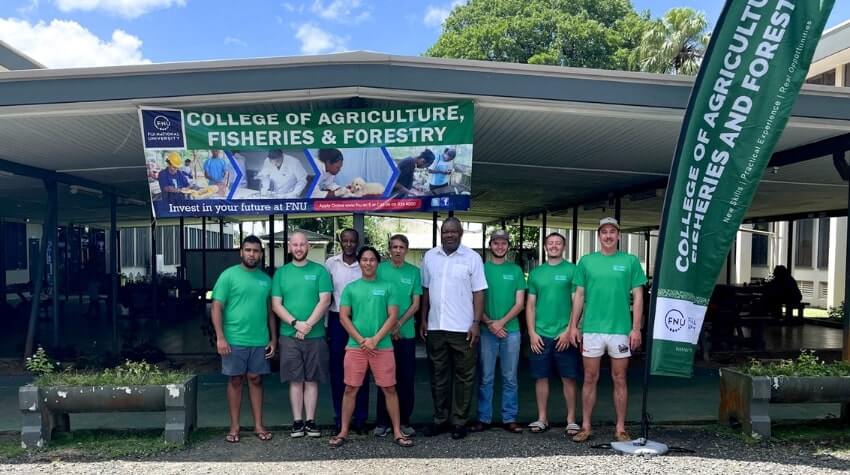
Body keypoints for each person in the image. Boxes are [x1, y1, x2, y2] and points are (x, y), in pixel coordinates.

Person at [568, 217, 646, 443]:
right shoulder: (586, 261)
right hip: (592, 328)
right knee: (590, 377)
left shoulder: (630, 261)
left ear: (618, 235)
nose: (609, 235)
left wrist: (636, 328)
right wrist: (574, 326)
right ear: (599, 235)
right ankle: (586, 426)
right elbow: (579, 295)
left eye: (613, 231)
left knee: (620, 378)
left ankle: (620, 428)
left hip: (620, 329)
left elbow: (638, 297)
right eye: (604, 232)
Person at [329, 247, 414, 449]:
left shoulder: (388, 287)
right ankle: (343, 431)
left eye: (372, 260)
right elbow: (343, 317)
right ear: (360, 263)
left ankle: (396, 431)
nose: (368, 263)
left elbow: (393, 316)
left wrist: (375, 339)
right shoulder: (351, 288)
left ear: (378, 263)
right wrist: (361, 340)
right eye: (365, 260)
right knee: (350, 388)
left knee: (389, 388)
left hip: (382, 346)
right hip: (356, 347)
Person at [420, 217, 487, 440]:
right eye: (445, 231)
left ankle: (459, 422)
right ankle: (440, 420)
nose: (449, 235)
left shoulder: (472, 258)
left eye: (453, 231)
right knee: (438, 376)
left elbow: (479, 292)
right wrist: (423, 320)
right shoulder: (430, 256)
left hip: (463, 328)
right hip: (436, 327)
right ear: (441, 233)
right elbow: (426, 291)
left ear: (460, 233)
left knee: (464, 377)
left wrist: (476, 323)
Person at [210, 235, 277, 443]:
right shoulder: (228, 276)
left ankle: (258, 425)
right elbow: (216, 306)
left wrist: (273, 339)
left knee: (256, 380)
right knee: (236, 380)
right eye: (248, 250)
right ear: (241, 252)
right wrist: (220, 337)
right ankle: (234, 427)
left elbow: (270, 312)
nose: (252, 254)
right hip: (234, 339)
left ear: (261, 253)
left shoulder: (266, 279)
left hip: (259, 339)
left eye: (256, 251)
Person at [271, 231, 333, 438]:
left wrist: (307, 325)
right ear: (289, 247)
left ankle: (311, 421)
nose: (298, 248)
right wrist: (296, 324)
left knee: (312, 380)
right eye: (295, 245)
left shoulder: (320, 271)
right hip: (289, 335)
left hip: (314, 336)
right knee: (295, 380)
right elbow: (276, 304)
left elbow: (325, 300)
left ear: (308, 247)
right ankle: (297, 421)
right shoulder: (281, 273)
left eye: (302, 245)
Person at [470, 229, 526, 434]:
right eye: (496, 243)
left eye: (503, 243)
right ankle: (484, 418)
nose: (499, 247)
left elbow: (520, 303)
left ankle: (509, 418)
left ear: (507, 246)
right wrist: (489, 323)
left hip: (511, 332)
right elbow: (474, 299)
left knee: (510, 377)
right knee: (486, 377)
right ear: (490, 246)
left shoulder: (517, 271)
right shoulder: (481, 269)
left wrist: (500, 323)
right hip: (486, 332)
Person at [526, 232, 581, 437]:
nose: (554, 246)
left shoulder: (573, 270)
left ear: (563, 247)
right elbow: (530, 305)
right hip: (540, 335)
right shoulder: (536, 273)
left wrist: (570, 330)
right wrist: (531, 333)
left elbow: (578, 302)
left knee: (569, 377)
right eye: (550, 243)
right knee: (541, 377)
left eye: (558, 243)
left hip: (564, 335)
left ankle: (571, 420)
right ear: (545, 247)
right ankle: (542, 419)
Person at [373, 234, 421, 438]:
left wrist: (399, 323)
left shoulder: (414, 272)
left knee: (406, 379)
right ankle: (382, 422)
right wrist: (388, 326)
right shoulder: (380, 269)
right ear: (389, 249)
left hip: (406, 333)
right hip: (383, 335)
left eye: (402, 247)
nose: (398, 250)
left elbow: (416, 303)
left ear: (407, 249)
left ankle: (404, 421)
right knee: (384, 380)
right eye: (394, 247)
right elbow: (376, 298)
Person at [325, 228, 368, 432]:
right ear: (340, 241)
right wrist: (326, 325)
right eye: (345, 240)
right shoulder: (331, 264)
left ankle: (360, 419)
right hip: (336, 321)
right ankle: (340, 419)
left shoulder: (365, 264)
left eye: (353, 240)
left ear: (358, 242)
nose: (349, 244)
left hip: (360, 319)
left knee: (362, 369)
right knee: (338, 371)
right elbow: (325, 296)